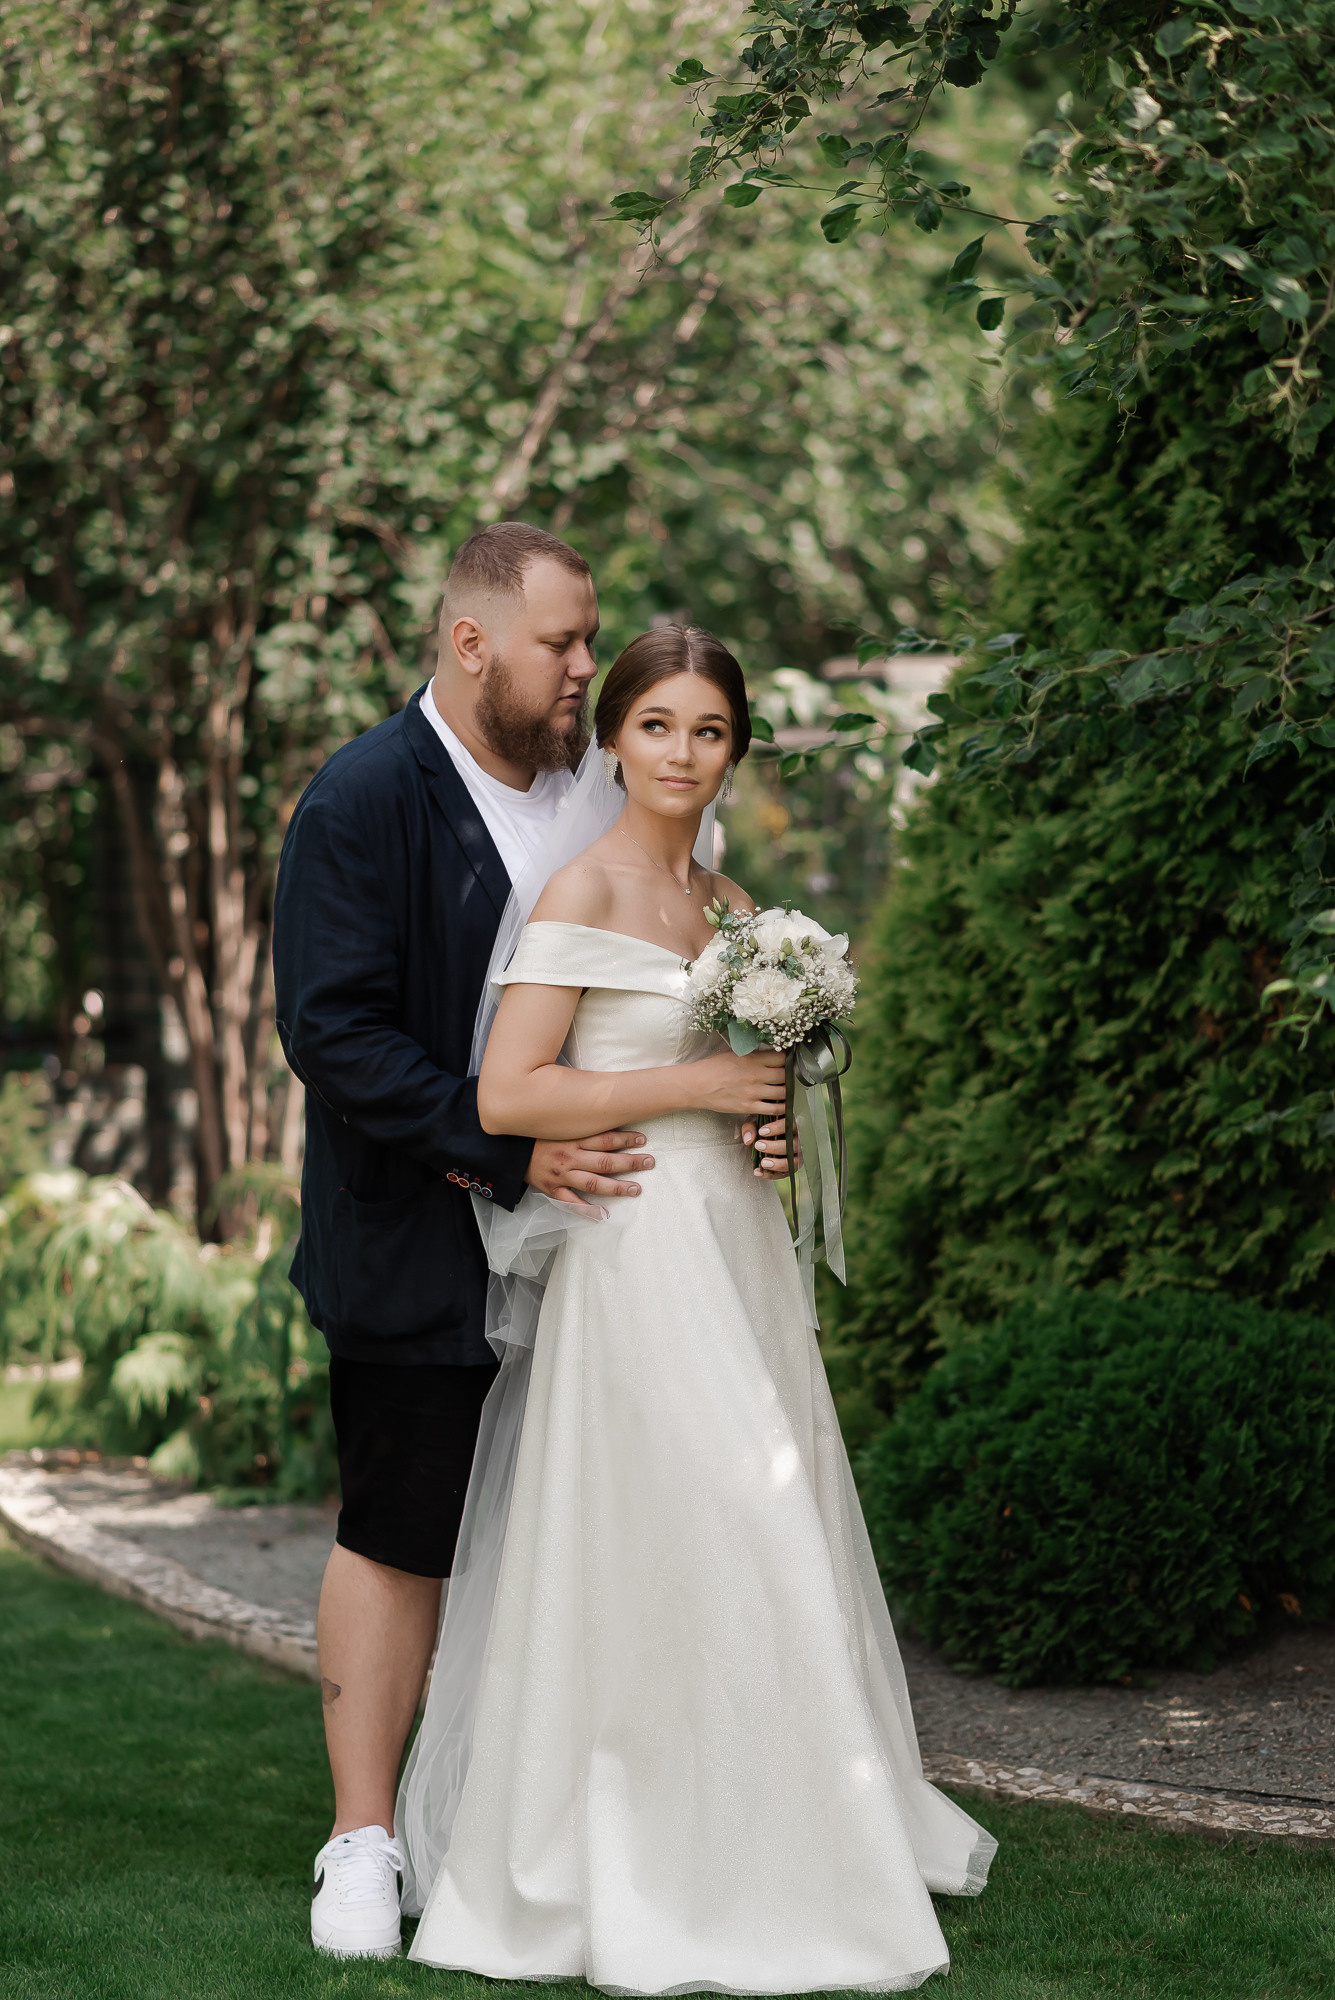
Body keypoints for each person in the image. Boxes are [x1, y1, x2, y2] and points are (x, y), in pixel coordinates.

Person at [397, 625, 996, 1993]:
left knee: (771, 1516)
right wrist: (698, 1092)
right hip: (636, 1257)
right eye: (657, 725)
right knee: (691, 1528)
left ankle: (790, 1826)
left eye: (708, 730)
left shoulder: (734, 910)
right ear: (615, 738)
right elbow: (508, 1092)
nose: (681, 753)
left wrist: (772, 1121)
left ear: (736, 748)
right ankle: (645, 1839)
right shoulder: (578, 891)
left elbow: (746, 1083)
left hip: (735, 1254)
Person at [271, 525, 791, 1960]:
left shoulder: (606, 787)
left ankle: (577, 1816)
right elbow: (332, 1029)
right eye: (563, 641)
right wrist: (509, 1143)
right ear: (471, 642)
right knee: (403, 1522)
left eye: (590, 642)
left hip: (614, 1250)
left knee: (601, 1528)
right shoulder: (365, 797)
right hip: (421, 1232)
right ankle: (364, 1840)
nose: (584, 665)